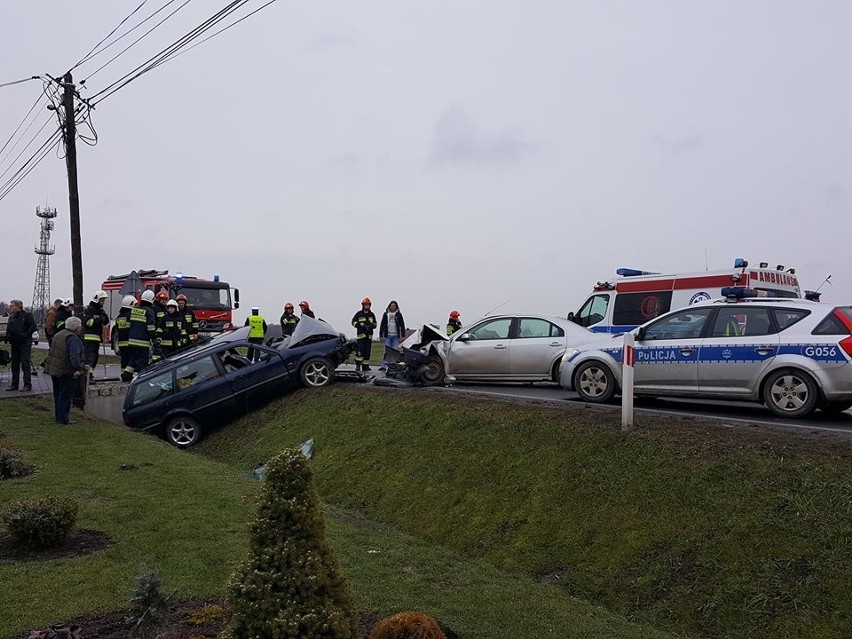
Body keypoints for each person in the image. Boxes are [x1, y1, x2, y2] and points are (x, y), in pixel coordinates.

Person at [43, 316, 86, 424]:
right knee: (66, 396)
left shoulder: (59, 335)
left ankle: (59, 417)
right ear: (76, 327)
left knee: (58, 395)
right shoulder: (73, 338)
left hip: (55, 369)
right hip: (67, 371)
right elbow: (74, 356)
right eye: (80, 326)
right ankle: (63, 419)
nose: (81, 328)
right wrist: (78, 369)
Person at [122, 289, 157, 382]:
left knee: (133, 359)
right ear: (151, 300)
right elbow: (151, 328)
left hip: (131, 340)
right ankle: (136, 379)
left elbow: (127, 326)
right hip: (143, 342)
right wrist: (154, 339)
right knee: (142, 362)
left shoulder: (134, 310)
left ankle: (126, 374)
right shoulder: (149, 311)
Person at [4, 299, 36, 392]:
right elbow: (9, 328)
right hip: (14, 343)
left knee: (25, 364)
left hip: (24, 344)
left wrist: (25, 335)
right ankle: (14, 384)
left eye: (12, 305)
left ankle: (27, 384)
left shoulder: (27, 315)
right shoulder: (11, 317)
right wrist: (7, 337)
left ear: (18, 306)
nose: (10, 307)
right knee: (14, 364)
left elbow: (32, 326)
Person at [82, 290, 110, 372]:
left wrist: (104, 318)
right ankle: (87, 374)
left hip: (96, 338)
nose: (103, 302)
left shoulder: (100, 310)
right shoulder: (89, 310)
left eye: (104, 300)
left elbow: (106, 321)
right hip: (89, 338)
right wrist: (98, 320)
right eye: (102, 300)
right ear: (97, 299)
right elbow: (88, 322)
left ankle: (90, 373)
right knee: (89, 357)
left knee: (94, 357)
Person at [378, 300, 406, 371]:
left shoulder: (399, 314)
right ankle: (384, 366)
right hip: (387, 335)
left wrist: (403, 335)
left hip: (395, 336)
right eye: (391, 305)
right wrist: (381, 335)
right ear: (389, 306)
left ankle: (392, 367)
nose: (393, 307)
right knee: (387, 351)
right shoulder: (386, 314)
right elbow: (382, 325)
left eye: (394, 306)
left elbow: (402, 325)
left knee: (394, 352)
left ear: (396, 307)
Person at [351, 297, 377, 372]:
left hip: (369, 337)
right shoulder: (359, 314)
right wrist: (360, 324)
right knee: (360, 352)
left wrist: (370, 326)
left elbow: (375, 324)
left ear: (369, 306)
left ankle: (365, 366)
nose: (366, 306)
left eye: (368, 305)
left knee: (367, 352)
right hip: (361, 336)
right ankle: (358, 366)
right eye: (365, 305)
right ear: (363, 305)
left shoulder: (372, 314)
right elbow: (353, 322)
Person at [115, 295, 136, 374]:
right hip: (129, 341)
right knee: (131, 358)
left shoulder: (120, 316)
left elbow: (117, 327)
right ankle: (128, 373)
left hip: (121, 341)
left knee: (124, 358)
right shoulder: (130, 315)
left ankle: (123, 372)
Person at [150, 289, 169, 361]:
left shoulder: (165, 308)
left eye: (165, 299)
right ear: (158, 299)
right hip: (156, 332)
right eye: (162, 299)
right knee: (156, 348)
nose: (164, 301)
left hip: (163, 332)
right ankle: (155, 362)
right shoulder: (154, 308)